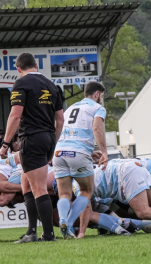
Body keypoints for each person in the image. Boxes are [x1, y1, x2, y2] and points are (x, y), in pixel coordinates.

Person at [0, 52, 64, 242]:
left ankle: (49, 235)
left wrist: (4, 144)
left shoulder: (21, 83)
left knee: (38, 188)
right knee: (25, 184)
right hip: (48, 138)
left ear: (18, 69)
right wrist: (53, 143)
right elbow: (59, 120)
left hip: (32, 138)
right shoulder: (52, 85)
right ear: (36, 65)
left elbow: (15, 116)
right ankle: (31, 232)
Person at [53, 81, 108, 239]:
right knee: (86, 191)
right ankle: (69, 224)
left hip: (60, 151)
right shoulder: (97, 108)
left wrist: (88, 152)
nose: (101, 99)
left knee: (64, 193)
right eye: (101, 96)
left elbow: (63, 129)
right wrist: (104, 152)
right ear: (96, 94)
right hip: (78, 152)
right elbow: (97, 128)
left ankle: (62, 219)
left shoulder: (71, 108)